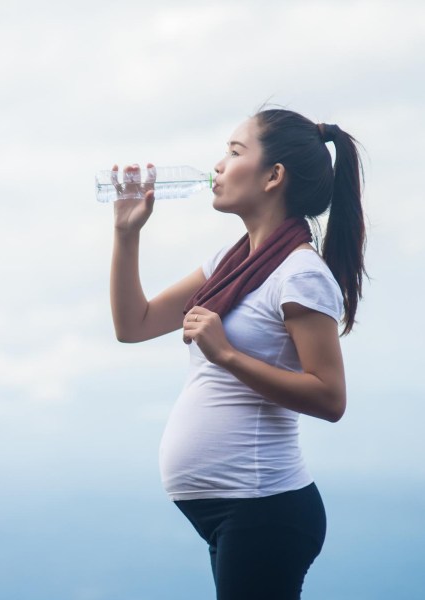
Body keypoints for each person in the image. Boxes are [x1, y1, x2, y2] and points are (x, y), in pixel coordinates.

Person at [109, 108, 366, 600]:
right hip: (236, 512)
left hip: (264, 509)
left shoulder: (299, 274)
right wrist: (126, 233)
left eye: (234, 152)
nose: (219, 166)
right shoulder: (229, 264)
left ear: (274, 177)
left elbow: (330, 397)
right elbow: (133, 325)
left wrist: (227, 355)